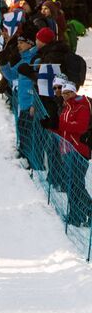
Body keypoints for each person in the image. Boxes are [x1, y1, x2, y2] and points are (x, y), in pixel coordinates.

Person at [58, 82, 92, 227]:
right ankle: (78, 215)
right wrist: (52, 127)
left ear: (74, 92)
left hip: (78, 151)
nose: (64, 95)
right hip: (66, 150)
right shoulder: (67, 108)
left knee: (75, 185)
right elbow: (63, 130)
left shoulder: (81, 107)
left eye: (68, 92)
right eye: (63, 93)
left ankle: (79, 215)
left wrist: (59, 125)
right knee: (73, 185)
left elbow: (81, 127)